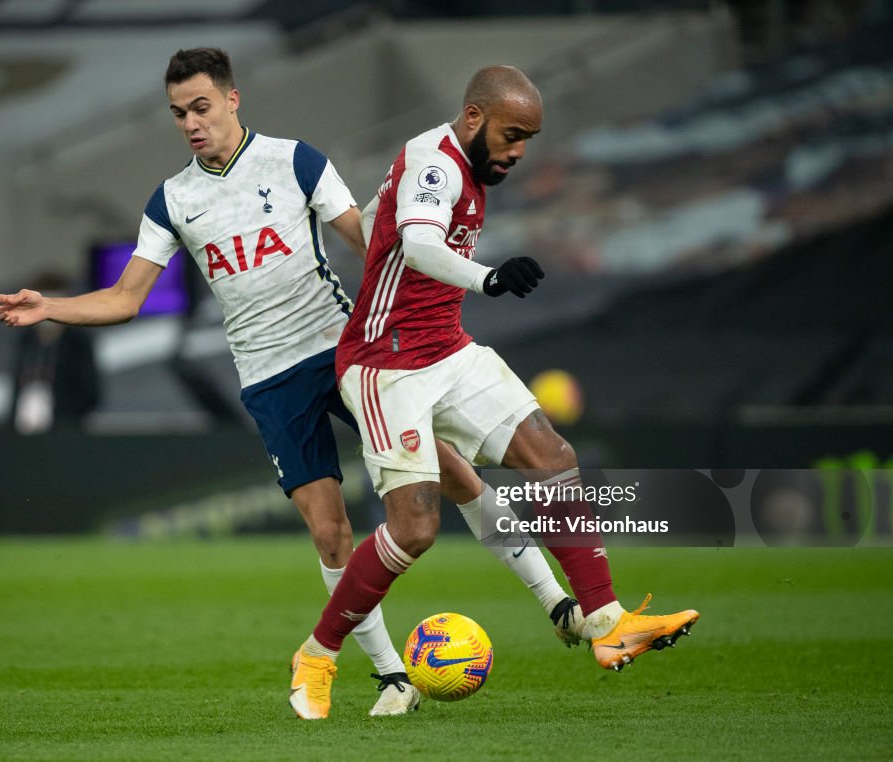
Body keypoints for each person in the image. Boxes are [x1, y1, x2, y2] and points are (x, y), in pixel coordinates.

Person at [0, 48, 586, 718]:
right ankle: (392, 676)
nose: (191, 123)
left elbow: (374, 239)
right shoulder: (172, 201)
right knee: (330, 533)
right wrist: (51, 308)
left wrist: (436, 281)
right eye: (179, 113)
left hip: (344, 350)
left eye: (201, 107)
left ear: (233, 99)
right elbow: (127, 298)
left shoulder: (297, 161)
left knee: (454, 474)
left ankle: (557, 602)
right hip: (269, 379)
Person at [288, 65, 700, 720]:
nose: (517, 151)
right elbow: (420, 244)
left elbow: (385, 226)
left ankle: (605, 619)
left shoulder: (452, 168)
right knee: (414, 530)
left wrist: (381, 229)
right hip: (384, 366)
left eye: (528, 139)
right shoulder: (437, 162)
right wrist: (488, 279)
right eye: (512, 135)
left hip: (448, 349)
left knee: (552, 457)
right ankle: (317, 654)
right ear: (475, 117)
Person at [8, 272, 100, 434]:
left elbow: (90, 391)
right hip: (23, 428)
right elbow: (16, 383)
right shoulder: (26, 340)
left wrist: (62, 415)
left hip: (66, 430)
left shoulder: (77, 341)